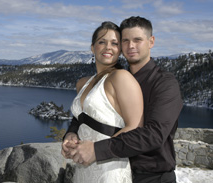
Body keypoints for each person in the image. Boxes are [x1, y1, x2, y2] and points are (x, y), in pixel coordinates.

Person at [62, 16, 183, 183]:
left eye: (137, 40)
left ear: (151, 41)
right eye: (125, 40)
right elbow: (86, 117)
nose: (131, 46)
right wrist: (71, 133)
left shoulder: (164, 83)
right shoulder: (114, 78)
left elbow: (154, 135)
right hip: (109, 168)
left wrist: (97, 150)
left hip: (151, 176)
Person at [61, 21, 144, 182]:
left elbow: (135, 128)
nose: (108, 47)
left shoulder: (121, 78)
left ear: (119, 50)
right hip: (83, 168)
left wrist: (96, 151)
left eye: (114, 43)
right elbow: (80, 119)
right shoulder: (82, 83)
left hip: (110, 168)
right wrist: (70, 134)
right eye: (102, 42)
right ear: (92, 47)